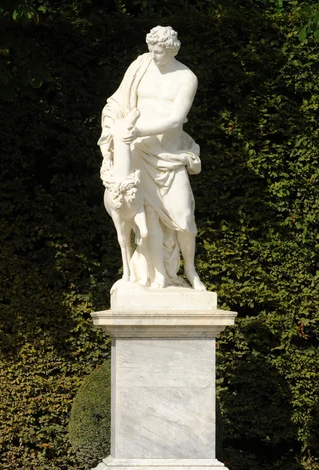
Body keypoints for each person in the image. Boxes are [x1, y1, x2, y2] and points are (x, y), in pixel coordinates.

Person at [99, 25, 206, 291]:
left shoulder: (186, 77)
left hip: (169, 155)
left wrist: (139, 130)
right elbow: (117, 101)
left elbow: (176, 118)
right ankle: (157, 275)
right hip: (137, 154)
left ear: (171, 50)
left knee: (184, 215)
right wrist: (114, 126)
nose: (153, 55)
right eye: (151, 49)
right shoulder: (140, 66)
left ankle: (190, 270)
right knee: (147, 221)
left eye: (158, 51)